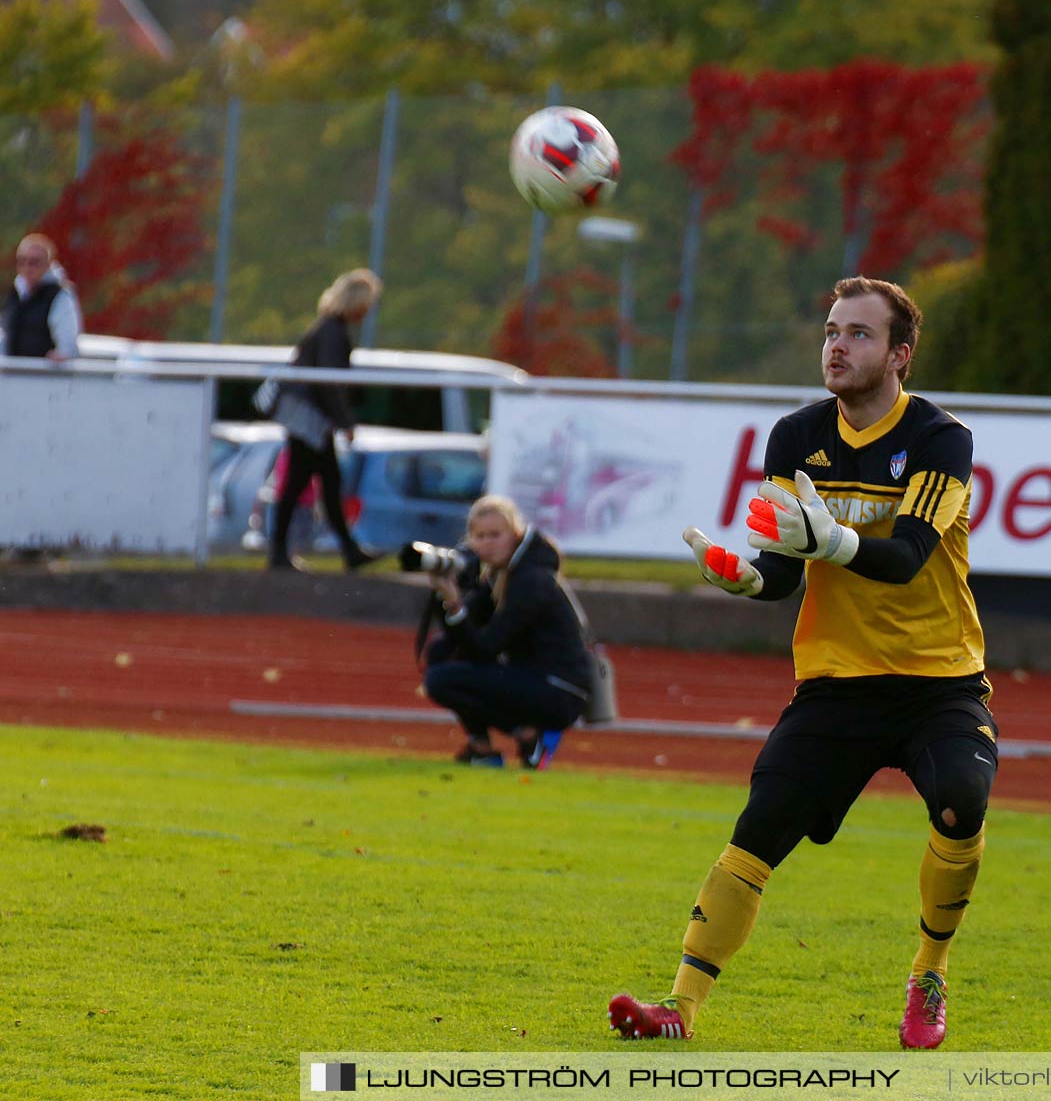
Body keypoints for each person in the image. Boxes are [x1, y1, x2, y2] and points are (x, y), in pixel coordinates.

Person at [608, 277, 995, 1050]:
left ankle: (930, 970)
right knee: (757, 832)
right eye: (830, 331)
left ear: (900, 353)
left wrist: (832, 543)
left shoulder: (940, 438)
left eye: (858, 333)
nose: (837, 346)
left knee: (960, 802)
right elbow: (784, 568)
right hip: (835, 685)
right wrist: (745, 577)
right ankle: (679, 1010)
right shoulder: (795, 437)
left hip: (937, 683)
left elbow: (909, 558)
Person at [422, 495, 594, 769]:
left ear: (515, 535)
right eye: (480, 536)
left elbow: (485, 647)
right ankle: (481, 750)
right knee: (440, 652)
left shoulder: (530, 580)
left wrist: (455, 604)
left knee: (441, 680)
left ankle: (529, 736)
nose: (486, 544)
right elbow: (463, 639)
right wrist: (448, 594)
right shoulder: (499, 574)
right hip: (534, 677)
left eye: (495, 535)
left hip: (558, 688)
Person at [266, 268, 380, 572]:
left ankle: (346, 550)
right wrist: (346, 422)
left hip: (308, 419)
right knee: (302, 485)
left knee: (327, 484)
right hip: (310, 420)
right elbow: (329, 383)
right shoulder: (333, 332)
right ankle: (282, 552)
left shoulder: (327, 328)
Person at [2, 233, 81, 361]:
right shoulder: (15, 295)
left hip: (44, 377)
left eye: (34, 262)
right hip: (14, 376)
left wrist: (60, 356)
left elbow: (68, 347)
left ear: (48, 264)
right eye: (21, 261)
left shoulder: (60, 296)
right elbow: (6, 337)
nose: (27, 267)